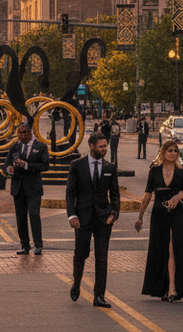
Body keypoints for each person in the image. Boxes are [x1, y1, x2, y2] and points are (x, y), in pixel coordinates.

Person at [66, 132, 120, 309]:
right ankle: (76, 282)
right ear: (91, 146)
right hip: (82, 219)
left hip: (104, 220)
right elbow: (70, 193)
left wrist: (114, 213)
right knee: (81, 254)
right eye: (101, 146)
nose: (105, 149)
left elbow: (115, 194)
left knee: (102, 258)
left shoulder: (110, 168)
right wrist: (72, 215)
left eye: (106, 146)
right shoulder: (77, 166)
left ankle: (99, 296)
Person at [135, 140, 183, 301]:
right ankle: (163, 288)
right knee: (160, 249)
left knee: (174, 249)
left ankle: (173, 288)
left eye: (176, 151)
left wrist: (178, 196)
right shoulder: (154, 171)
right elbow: (147, 194)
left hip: (176, 212)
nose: (173, 153)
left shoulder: (181, 172)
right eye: (170, 151)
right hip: (159, 212)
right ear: (163, 152)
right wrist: (140, 216)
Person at [6, 122, 48, 255]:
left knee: (34, 215)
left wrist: (27, 165)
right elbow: (6, 164)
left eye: (25, 132)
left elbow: (45, 165)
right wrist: (9, 169)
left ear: (30, 133)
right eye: (20, 133)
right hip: (18, 188)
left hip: (33, 187)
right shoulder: (15, 147)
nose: (23, 135)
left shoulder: (41, 147)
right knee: (21, 217)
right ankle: (24, 245)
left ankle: (38, 245)